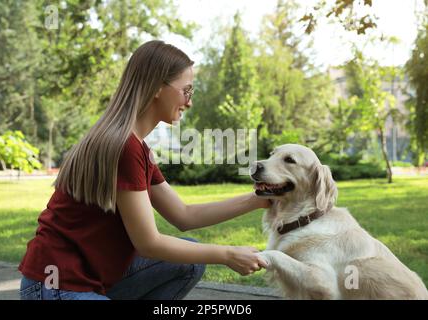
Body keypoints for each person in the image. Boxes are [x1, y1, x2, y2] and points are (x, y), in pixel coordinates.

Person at [18, 40, 270, 300]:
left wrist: (257, 200)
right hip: (55, 286)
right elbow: (148, 243)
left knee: (190, 259)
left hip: (89, 280)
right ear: (158, 87)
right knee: (191, 254)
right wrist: (227, 255)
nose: (189, 102)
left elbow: (184, 215)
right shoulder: (123, 146)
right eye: (187, 90)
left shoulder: (135, 146)